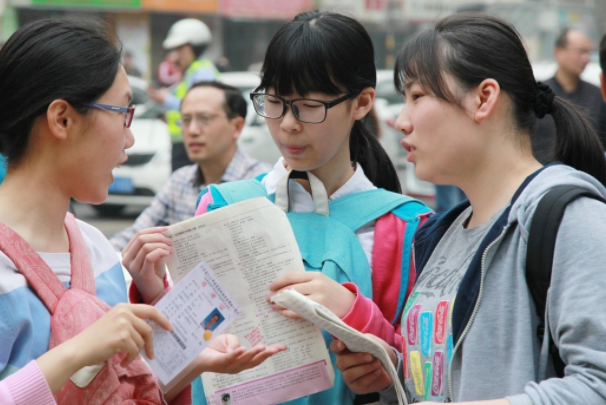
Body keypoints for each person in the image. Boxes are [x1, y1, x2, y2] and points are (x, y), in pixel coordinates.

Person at [0, 17, 285, 405]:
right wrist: (76, 352)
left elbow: (117, 391)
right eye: (122, 113)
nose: (130, 137)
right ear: (62, 119)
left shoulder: (96, 248)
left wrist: (194, 364)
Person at [330, 12, 606, 405]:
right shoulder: (437, 236)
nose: (401, 121)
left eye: (417, 96)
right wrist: (388, 377)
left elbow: (598, 384)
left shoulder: (571, 220)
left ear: (483, 98)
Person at [189, 11, 433, 405]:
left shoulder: (401, 229)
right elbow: (182, 349)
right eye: (274, 102)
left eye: (307, 106)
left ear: (362, 103)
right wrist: (153, 290)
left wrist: (361, 322)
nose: (287, 124)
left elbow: (425, 375)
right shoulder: (219, 206)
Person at [110, 81, 270, 251]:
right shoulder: (180, 181)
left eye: (205, 119)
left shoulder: (263, 183)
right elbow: (134, 237)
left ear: (237, 127)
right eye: (186, 120)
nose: (192, 130)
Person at [149, 18, 220, 172]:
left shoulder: (201, 72)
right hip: (184, 142)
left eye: (180, 50)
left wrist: (166, 99)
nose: (176, 56)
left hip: (191, 143)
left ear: (191, 48)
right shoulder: (192, 72)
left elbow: (198, 107)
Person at [532, 28, 606, 163]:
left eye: (588, 52)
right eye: (580, 52)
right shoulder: (539, 94)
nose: (586, 58)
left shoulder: (597, 95)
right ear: (559, 52)